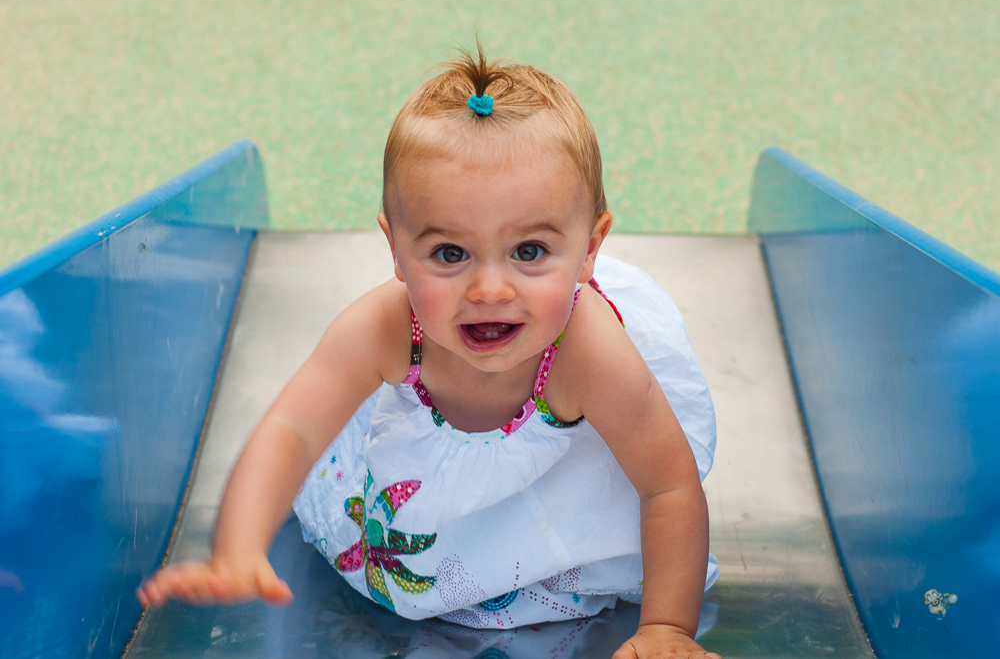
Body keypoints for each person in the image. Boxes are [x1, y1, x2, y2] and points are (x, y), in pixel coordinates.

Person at [137, 43, 721, 658]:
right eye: (450, 253)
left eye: (529, 252)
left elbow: (668, 486)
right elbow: (293, 430)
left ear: (590, 249)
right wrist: (237, 545)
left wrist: (666, 627)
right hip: (420, 482)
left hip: (561, 489)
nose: (490, 290)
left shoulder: (587, 348)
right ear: (395, 247)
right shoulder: (389, 326)